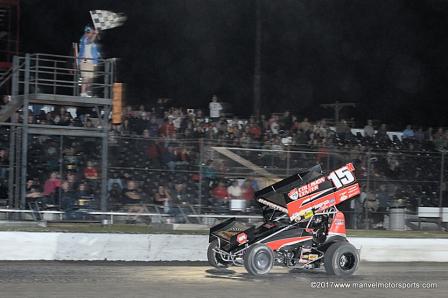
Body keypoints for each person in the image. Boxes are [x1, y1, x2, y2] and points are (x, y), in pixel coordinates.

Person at [78, 25, 100, 97]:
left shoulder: (88, 39)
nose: (92, 34)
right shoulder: (84, 38)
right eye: (91, 32)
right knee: (86, 77)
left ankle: (86, 92)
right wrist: (95, 34)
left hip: (91, 62)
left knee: (90, 78)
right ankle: (83, 92)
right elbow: (90, 41)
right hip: (85, 61)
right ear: (87, 32)